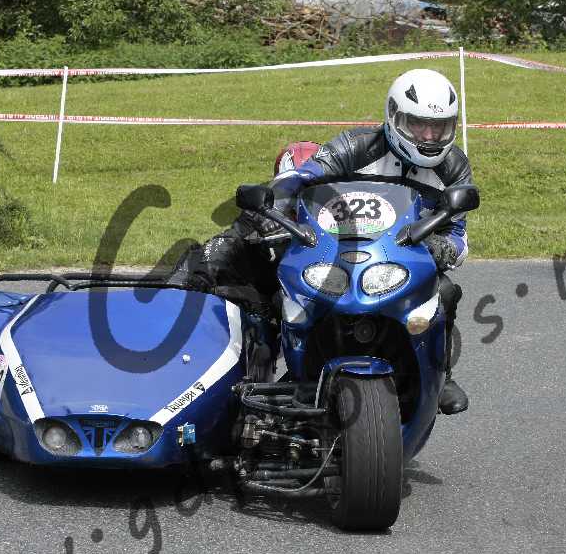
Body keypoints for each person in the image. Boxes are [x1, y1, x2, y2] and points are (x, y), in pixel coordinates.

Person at [187, 68, 473, 414]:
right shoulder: (356, 145)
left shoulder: (454, 167)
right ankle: (297, 370)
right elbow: (303, 175)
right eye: (418, 124)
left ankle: (441, 375)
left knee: (445, 292)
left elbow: (458, 233)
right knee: (290, 291)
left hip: (408, 253)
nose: (429, 136)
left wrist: (444, 248)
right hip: (341, 246)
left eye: (438, 127)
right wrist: (276, 203)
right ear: (395, 117)